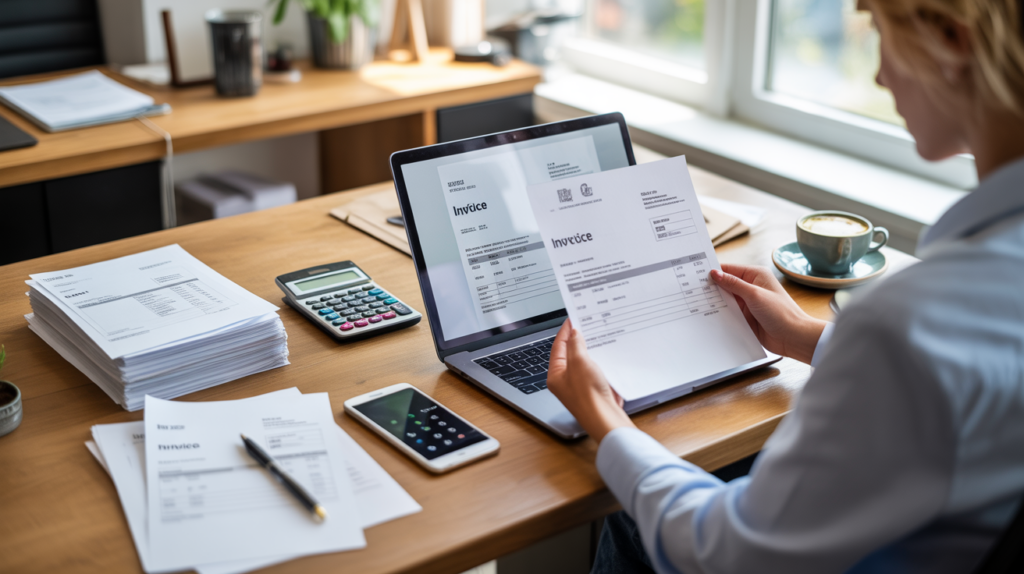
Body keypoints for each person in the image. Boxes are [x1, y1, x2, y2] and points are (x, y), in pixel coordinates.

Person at [546, 0, 1024, 572]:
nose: (878, 74)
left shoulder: (914, 319)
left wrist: (606, 420)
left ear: (951, 42)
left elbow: (726, 553)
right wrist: (808, 337)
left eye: (880, 35)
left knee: (636, 510)